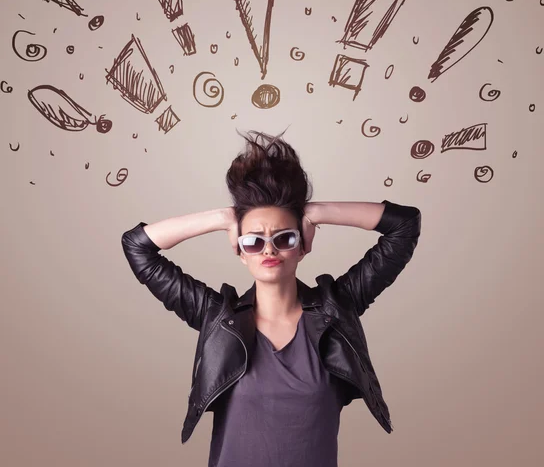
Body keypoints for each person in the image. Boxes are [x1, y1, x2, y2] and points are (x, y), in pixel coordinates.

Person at [121, 127, 422, 467]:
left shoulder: (337, 310)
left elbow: (404, 226)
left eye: (284, 239)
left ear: (303, 245)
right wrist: (223, 218)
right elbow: (138, 247)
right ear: (239, 250)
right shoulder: (217, 317)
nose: (269, 249)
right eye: (253, 241)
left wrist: (315, 213)